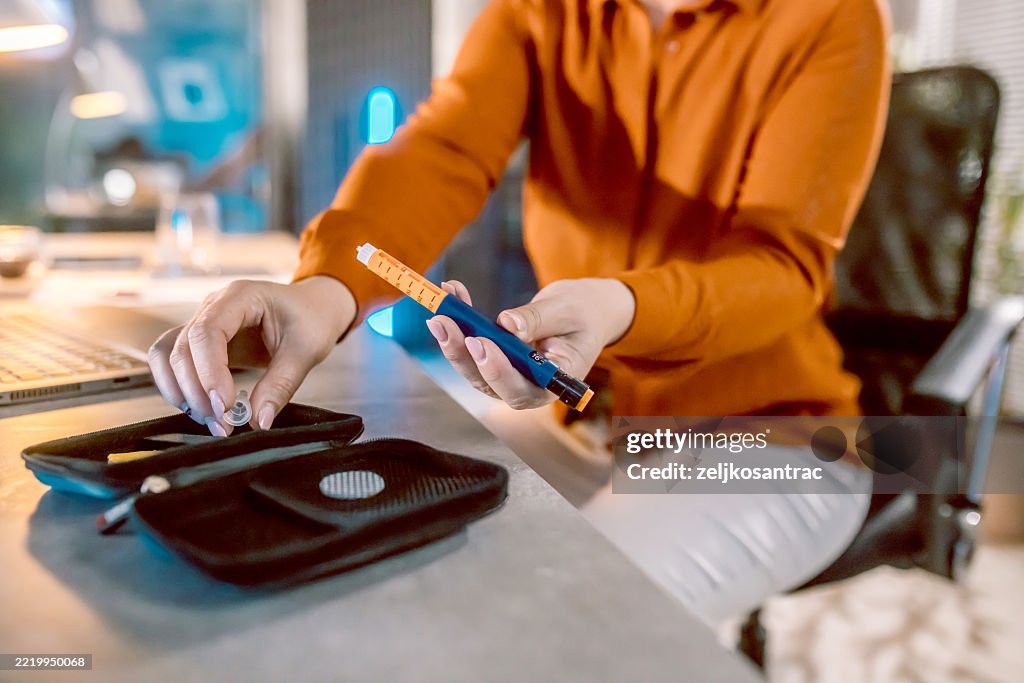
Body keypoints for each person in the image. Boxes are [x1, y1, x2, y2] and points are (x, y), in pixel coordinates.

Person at [149, 0, 890, 624]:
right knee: (388, 568)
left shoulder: (830, 16)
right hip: (577, 422)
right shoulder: (541, 10)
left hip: (771, 437)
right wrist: (325, 289)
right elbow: (443, 151)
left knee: (562, 623)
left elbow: (780, 266)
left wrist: (623, 309)